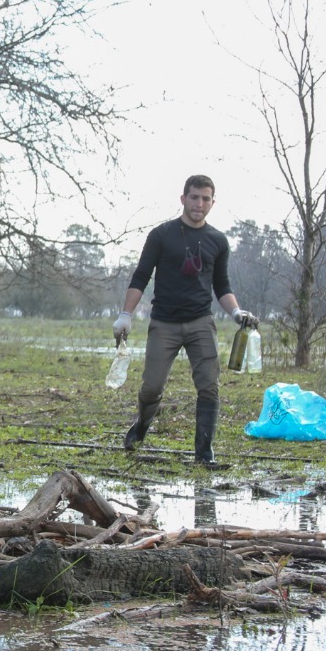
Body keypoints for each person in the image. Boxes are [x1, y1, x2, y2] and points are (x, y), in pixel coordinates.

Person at [112, 174, 257, 467]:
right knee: (152, 386)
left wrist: (236, 312)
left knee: (209, 385)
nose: (199, 204)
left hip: (200, 322)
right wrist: (125, 314)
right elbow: (141, 276)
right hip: (164, 322)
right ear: (183, 199)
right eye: (194, 197)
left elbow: (222, 285)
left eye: (205, 199)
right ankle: (141, 425)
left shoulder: (218, 241)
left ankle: (204, 452)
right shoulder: (161, 235)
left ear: (212, 203)